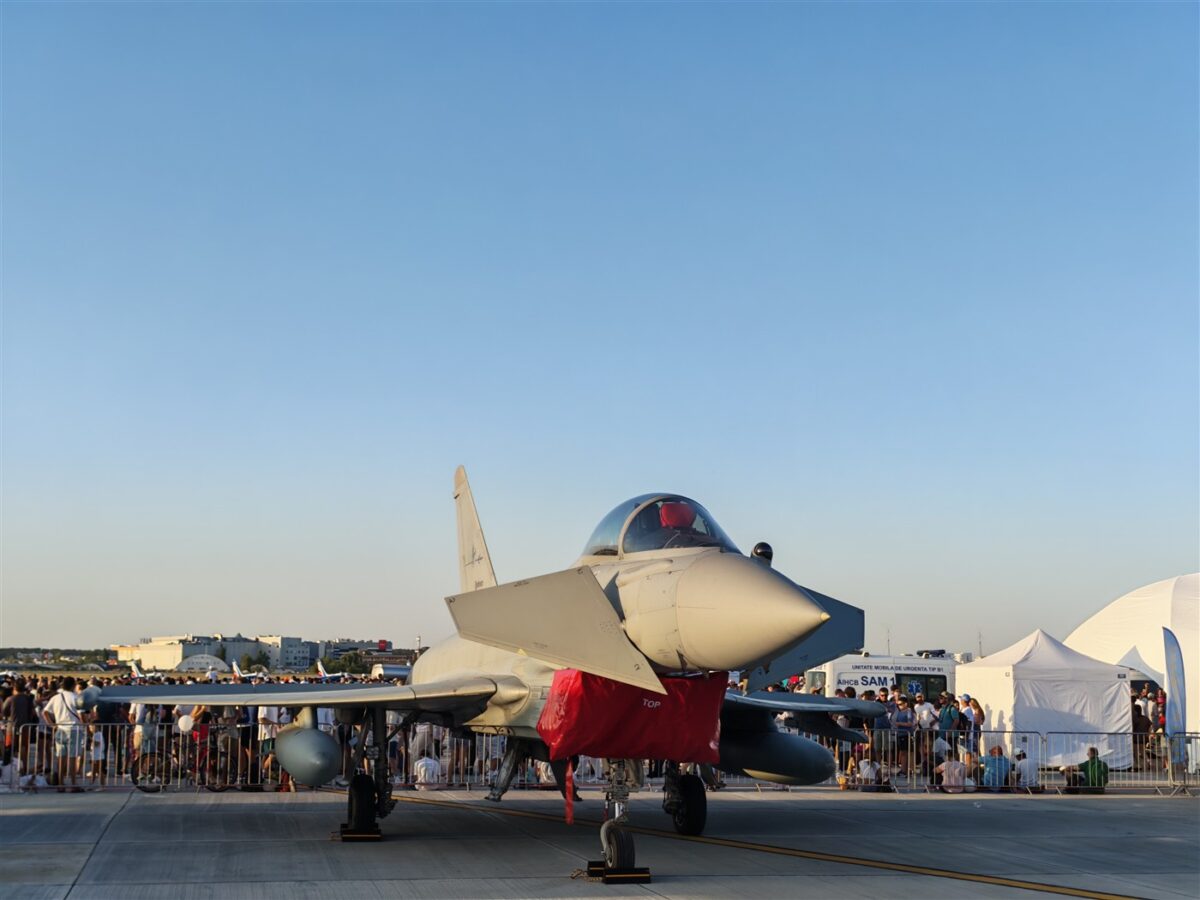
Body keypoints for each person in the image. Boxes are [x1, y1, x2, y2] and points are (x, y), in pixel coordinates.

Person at [42, 677, 84, 792]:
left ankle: (61, 784)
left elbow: (45, 712)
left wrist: (52, 725)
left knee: (61, 758)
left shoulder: (56, 697)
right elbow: (81, 714)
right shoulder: (76, 697)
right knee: (72, 758)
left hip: (60, 729)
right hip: (74, 729)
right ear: (73, 685)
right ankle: (73, 784)